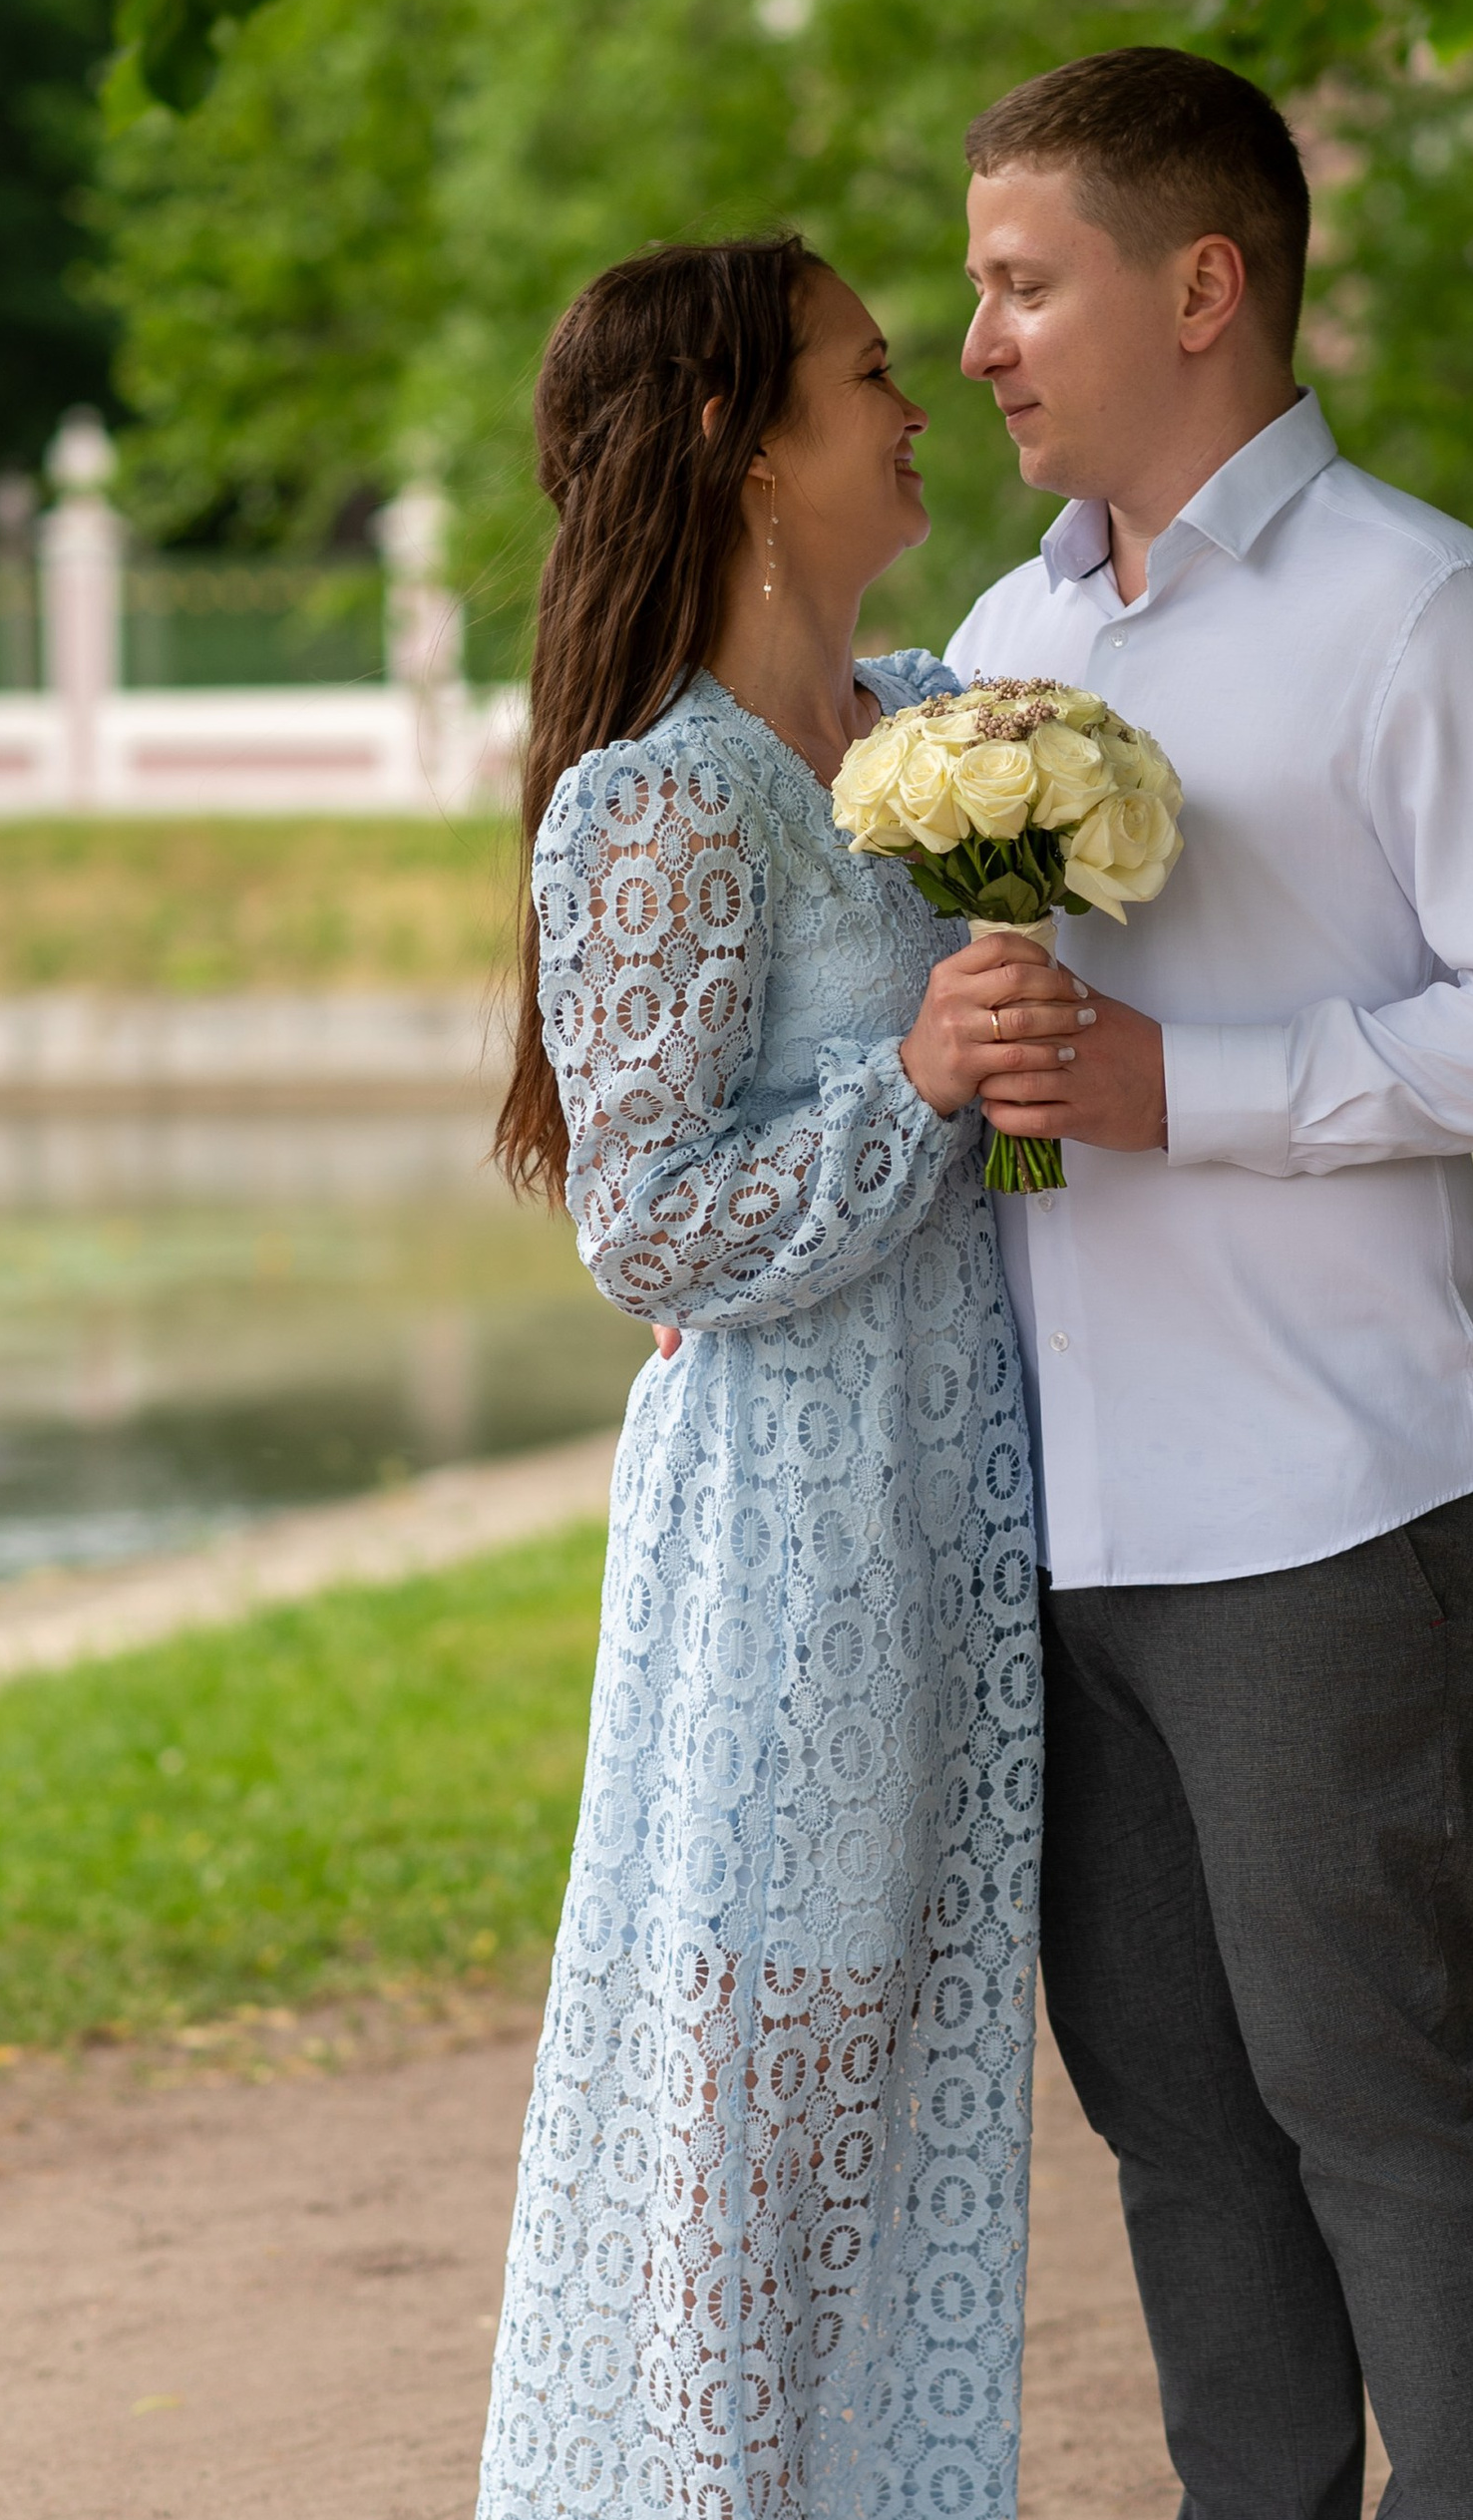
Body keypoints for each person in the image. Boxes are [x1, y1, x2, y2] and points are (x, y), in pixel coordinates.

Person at [944, 49, 1473, 2520]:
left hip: (1337, 1505)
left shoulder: (1423, 609)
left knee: (1366, 2095)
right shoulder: (992, 632)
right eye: (971, 291)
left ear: (1204, 287)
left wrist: (1189, 1086)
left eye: (1024, 284)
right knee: (1168, 2114)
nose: (977, 345)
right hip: (1066, 1528)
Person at [477, 238, 1085, 2520]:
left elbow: (1005, 1156)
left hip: (972, 1509)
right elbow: (642, 1229)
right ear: (746, 444)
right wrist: (923, 1079)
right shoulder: (664, 798)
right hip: (792, 1562)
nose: (916, 398)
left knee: (922, 2128)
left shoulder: (931, 727)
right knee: (760, 2172)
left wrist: (1004, 1069)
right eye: (866, 373)